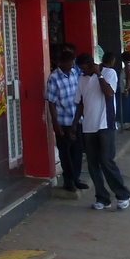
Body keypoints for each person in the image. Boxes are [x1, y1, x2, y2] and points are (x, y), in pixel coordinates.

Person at [72, 53, 130, 210]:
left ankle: (123, 194)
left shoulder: (109, 73)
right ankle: (102, 197)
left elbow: (109, 93)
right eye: (80, 69)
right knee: (92, 164)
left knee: (106, 161)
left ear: (93, 65)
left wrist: (99, 75)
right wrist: (74, 125)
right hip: (88, 126)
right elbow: (80, 103)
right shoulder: (82, 79)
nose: (82, 71)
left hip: (106, 124)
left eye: (84, 68)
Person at [46, 50, 87, 192]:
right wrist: (55, 124)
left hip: (76, 120)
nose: (71, 66)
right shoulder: (54, 78)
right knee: (65, 152)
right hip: (63, 121)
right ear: (61, 63)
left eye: (72, 64)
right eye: (69, 64)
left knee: (77, 151)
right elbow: (51, 102)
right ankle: (68, 180)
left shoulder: (75, 74)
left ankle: (76, 178)